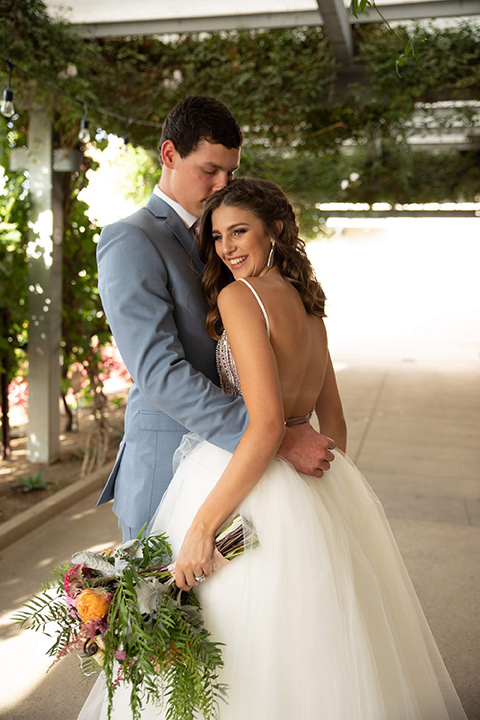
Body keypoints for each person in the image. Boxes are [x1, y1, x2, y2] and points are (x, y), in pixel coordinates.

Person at [80, 178, 467, 719]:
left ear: (276, 229)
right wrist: (322, 494)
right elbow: (332, 424)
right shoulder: (311, 306)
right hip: (312, 492)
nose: (227, 248)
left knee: (232, 651)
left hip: (245, 480)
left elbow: (263, 428)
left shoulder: (240, 298)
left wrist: (200, 527)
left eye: (239, 231)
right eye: (216, 237)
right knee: (314, 649)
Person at [96, 96, 335, 542]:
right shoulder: (131, 240)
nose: (221, 184)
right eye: (210, 171)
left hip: (242, 475)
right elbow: (158, 373)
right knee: (161, 607)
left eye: (231, 173)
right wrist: (274, 439)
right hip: (168, 465)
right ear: (170, 155)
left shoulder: (231, 238)